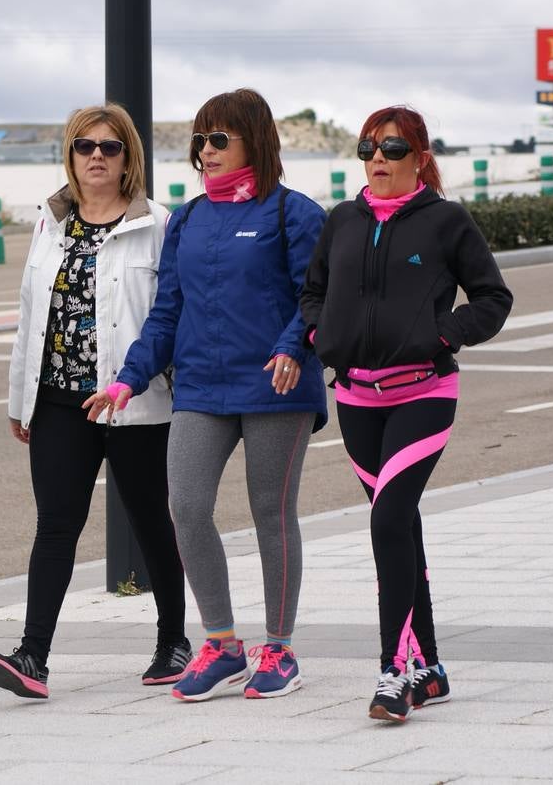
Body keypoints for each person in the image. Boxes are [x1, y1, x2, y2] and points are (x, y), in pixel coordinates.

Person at [85, 88, 328, 703]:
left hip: (277, 388)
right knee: (186, 508)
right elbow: (166, 314)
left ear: (256, 141)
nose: (206, 150)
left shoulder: (294, 214)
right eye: (200, 139)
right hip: (200, 387)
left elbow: (315, 299)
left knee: (271, 512)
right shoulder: (188, 219)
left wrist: (292, 348)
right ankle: (221, 644)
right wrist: (128, 377)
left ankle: (280, 647)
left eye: (220, 138)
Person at [300, 105, 512, 723]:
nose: (377, 160)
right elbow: (313, 290)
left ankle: (395, 671)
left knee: (389, 518)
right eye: (368, 148)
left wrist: (441, 336)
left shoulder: (446, 222)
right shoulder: (342, 219)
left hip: (424, 394)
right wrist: (319, 336)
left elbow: (494, 297)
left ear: (419, 157)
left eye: (392, 149)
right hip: (357, 399)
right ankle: (434, 668)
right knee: (400, 526)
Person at [0, 104, 189, 700]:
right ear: (69, 156)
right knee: (55, 525)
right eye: (83, 146)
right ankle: (32, 656)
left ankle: (173, 641)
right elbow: (30, 318)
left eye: (109, 146)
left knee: (152, 522)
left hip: (135, 403)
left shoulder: (159, 225)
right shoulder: (50, 225)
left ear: (129, 158)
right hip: (59, 404)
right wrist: (20, 400)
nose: (95, 155)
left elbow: (173, 318)